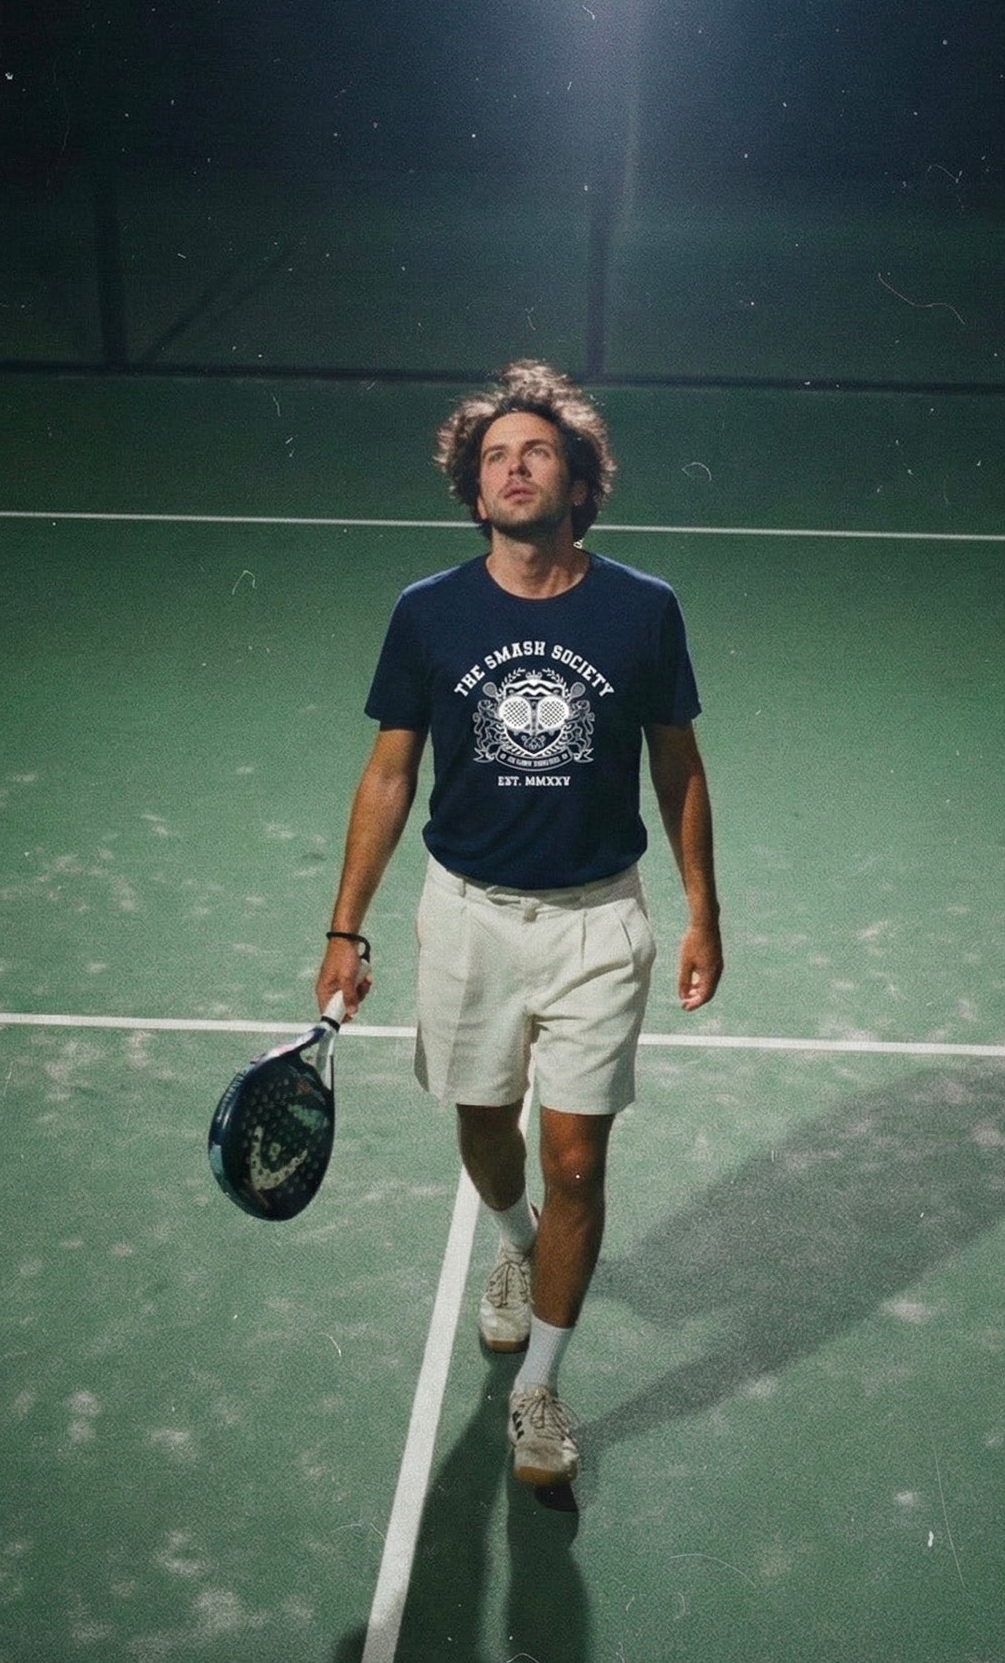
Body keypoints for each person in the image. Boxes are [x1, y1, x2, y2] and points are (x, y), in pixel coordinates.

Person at [315, 358, 723, 1490]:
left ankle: (541, 1383)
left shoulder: (643, 607)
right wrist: (345, 927)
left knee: (579, 1162)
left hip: (599, 923)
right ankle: (512, 1242)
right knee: (485, 1123)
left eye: (535, 450)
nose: (512, 467)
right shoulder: (428, 612)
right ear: (471, 484)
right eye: (494, 455)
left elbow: (678, 765)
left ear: (578, 479)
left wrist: (704, 913)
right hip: (468, 919)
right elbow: (390, 771)